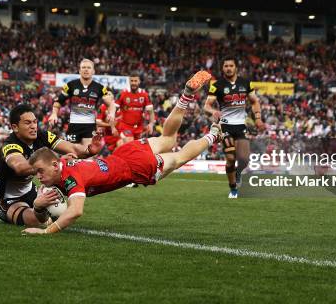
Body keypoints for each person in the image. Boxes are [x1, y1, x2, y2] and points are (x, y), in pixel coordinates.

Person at [22, 71, 219, 235]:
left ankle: (214, 135)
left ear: (55, 165)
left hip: (135, 167)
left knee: (179, 157)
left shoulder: (71, 179)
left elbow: (76, 211)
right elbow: (70, 158)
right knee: (169, 139)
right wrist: (39, 206)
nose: (37, 176)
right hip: (124, 152)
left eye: (40, 171)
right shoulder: (64, 162)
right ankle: (185, 96)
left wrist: (47, 231)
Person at [0, 104, 103, 226]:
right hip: (7, 199)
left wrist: (88, 151)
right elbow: (20, 167)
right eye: (28, 123)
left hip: (30, 191)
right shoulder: (10, 145)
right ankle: (40, 212)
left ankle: (42, 209)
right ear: (15, 127)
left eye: (35, 122)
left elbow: (72, 148)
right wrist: (56, 162)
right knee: (39, 221)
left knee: (59, 214)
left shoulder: (43, 136)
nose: (33, 126)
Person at [203, 56, 264, 198]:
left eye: (231, 66)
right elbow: (207, 106)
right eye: (226, 66)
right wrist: (213, 111)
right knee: (230, 158)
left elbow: (254, 102)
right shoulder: (216, 85)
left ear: (236, 67)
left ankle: (237, 173)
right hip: (225, 126)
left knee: (244, 160)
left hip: (241, 125)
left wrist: (258, 118)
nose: (228, 68)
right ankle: (233, 189)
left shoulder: (246, 83)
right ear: (223, 68)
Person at [48, 59, 117, 146]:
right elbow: (58, 102)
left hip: (89, 126)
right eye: (83, 67)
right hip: (73, 125)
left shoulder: (99, 88)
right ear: (80, 70)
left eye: (89, 68)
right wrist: (54, 114)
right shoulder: (70, 85)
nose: (86, 69)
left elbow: (111, 104)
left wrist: (112, 113)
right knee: (72, 153)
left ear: (93, 71)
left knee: (87, 152)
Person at [116, 74, 155, 143]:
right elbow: (114, 108)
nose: (133, 83)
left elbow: (151, 111)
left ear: (139, 82)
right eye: (132, 81)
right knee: (129, 141)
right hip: (125, 126)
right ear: (129, 81)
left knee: (137, 146)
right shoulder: (122, 93)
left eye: (135, 81)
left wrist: (151, 124)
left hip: (139, 127)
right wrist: (112, 117)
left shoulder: (144, 94)